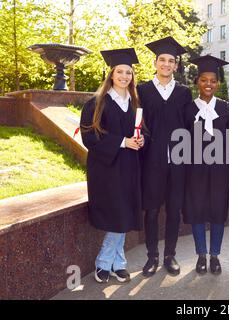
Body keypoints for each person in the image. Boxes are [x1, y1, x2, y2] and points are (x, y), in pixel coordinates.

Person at [80, 48, 145, 283]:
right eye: (120, 72)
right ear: (111, 74)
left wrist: (140, 139)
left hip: (129, 168)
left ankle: (118, 263)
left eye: (128, 72)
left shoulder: (135, 103)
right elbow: (90, 137)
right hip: (106, 169)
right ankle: (105, 262)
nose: (124, 76)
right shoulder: (96, 103)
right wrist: (122, 142)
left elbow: (141, 131)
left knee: (124, 213)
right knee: (118, 214)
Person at [138, 36, 193, 277]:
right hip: (151, 161)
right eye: (162, 60)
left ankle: (170, 255)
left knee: (174, 209)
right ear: (155, 62)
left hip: (178, 162)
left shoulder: (183, 93)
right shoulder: (142, 90)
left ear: (176, 66)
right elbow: (138, 125)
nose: (166, 64)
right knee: (151, 210)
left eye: (171, 61)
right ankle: (152, 256)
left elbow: (190, 127)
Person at [183, 55, 229, 275]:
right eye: (204, 80)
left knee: (217, 212)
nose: (208, 84)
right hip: (194, 169)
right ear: (197, 82)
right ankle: (201, 255)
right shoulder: (187, 110)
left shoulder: (227, 110)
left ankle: (215, 255)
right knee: (196, 211)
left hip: (220, 169)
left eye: (213, 80)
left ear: (218, 84)